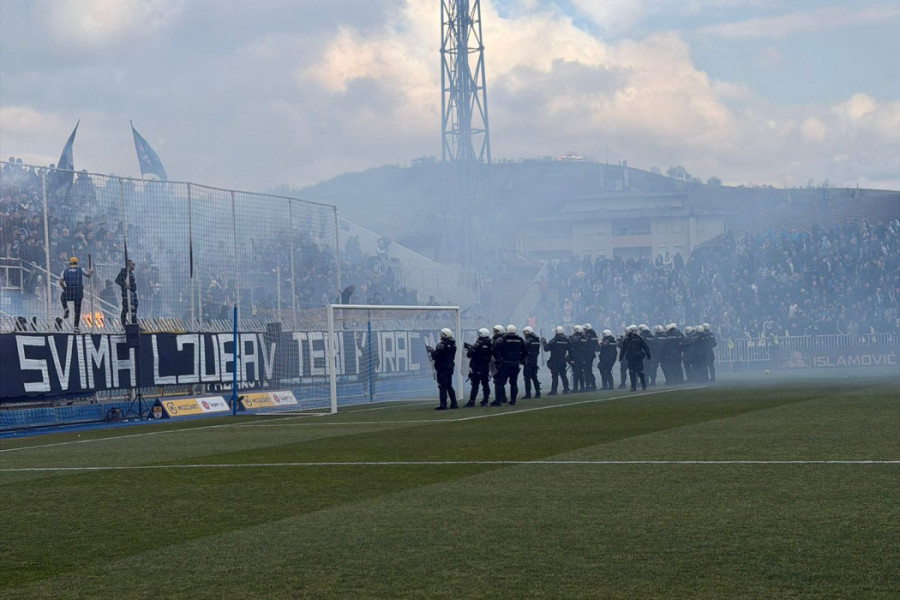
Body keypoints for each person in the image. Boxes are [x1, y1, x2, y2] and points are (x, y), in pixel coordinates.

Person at [491, 324, 527, 406]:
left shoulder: (502, 339)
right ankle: (513, 400)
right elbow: (525, 351)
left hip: (505, 364)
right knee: (513, 383)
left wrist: (499, 360)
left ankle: (498, 400)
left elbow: (495, 350)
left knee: (500, 382)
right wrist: (520, 359)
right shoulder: (520, 340)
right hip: (515, 364)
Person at [59, 256, 92, 332]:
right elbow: (88, 275)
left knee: (62, 297)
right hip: (78, 291)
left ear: (69, 263)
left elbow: (61, 282)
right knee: (77, 309)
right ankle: (76, 327)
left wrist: (65, 289)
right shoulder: (81, 269)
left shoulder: (65, 271)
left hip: (69, 290)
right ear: (77, 262)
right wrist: (90, 271)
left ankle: (66, 308)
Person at [427, 328, 458, 410]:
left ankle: (443, 404)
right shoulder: (453, 344)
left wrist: (432, 351)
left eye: (442, 334)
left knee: (442, 386)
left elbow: (437, 356)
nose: (441, 336)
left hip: (442, 368)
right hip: (450, 367)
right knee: (449, 386)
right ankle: (454, 403)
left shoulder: (442, 345)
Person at [463, 328, 493, 407]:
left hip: (477, 366)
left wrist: (470, 348)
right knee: (485, 383)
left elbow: (469, 354)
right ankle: (486, 400)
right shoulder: (490, 343)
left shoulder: (478, 343)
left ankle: (472, 401)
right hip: (485, 366)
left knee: (475, 384)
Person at [619, 325, 651, 391]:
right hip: (630, 358)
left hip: (638, 358)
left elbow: (645, 347)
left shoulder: (639, 338)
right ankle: (633, 386)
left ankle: (643, 384)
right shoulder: (627, 339)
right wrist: (621, 357)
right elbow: (623, 349)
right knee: (631, 372)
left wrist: (648, 355)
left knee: (639, 372)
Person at [542, 326, 571, 395]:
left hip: (555, 360)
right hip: (563, 360)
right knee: (563, 375)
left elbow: (546, 349)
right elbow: (571, 349)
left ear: (557, 332)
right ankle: (566, 389)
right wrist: (570, 358)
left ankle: (554, 391)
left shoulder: (554, 340)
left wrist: (544, 343)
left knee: (555, 376)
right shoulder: (566, 340)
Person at [521, 325, 542, 399]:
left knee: (527, 378)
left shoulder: (528, 340)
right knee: (534, 377)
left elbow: (524, 350)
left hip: (528, 361)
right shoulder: (537, 340)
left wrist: (521, 359)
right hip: (534, 361)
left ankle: (528, 394)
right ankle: (538, 393)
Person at [115, 259, 138, 326]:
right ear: (129, 264)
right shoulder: (124, 272)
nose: (134, 265)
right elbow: (117, 280)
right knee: (125, 309)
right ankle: (123, 324)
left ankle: (134, 323)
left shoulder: (131, 273)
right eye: (132, 264)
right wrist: (124, 285)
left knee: (134, 308)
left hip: (133, 293)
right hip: (126, 294)